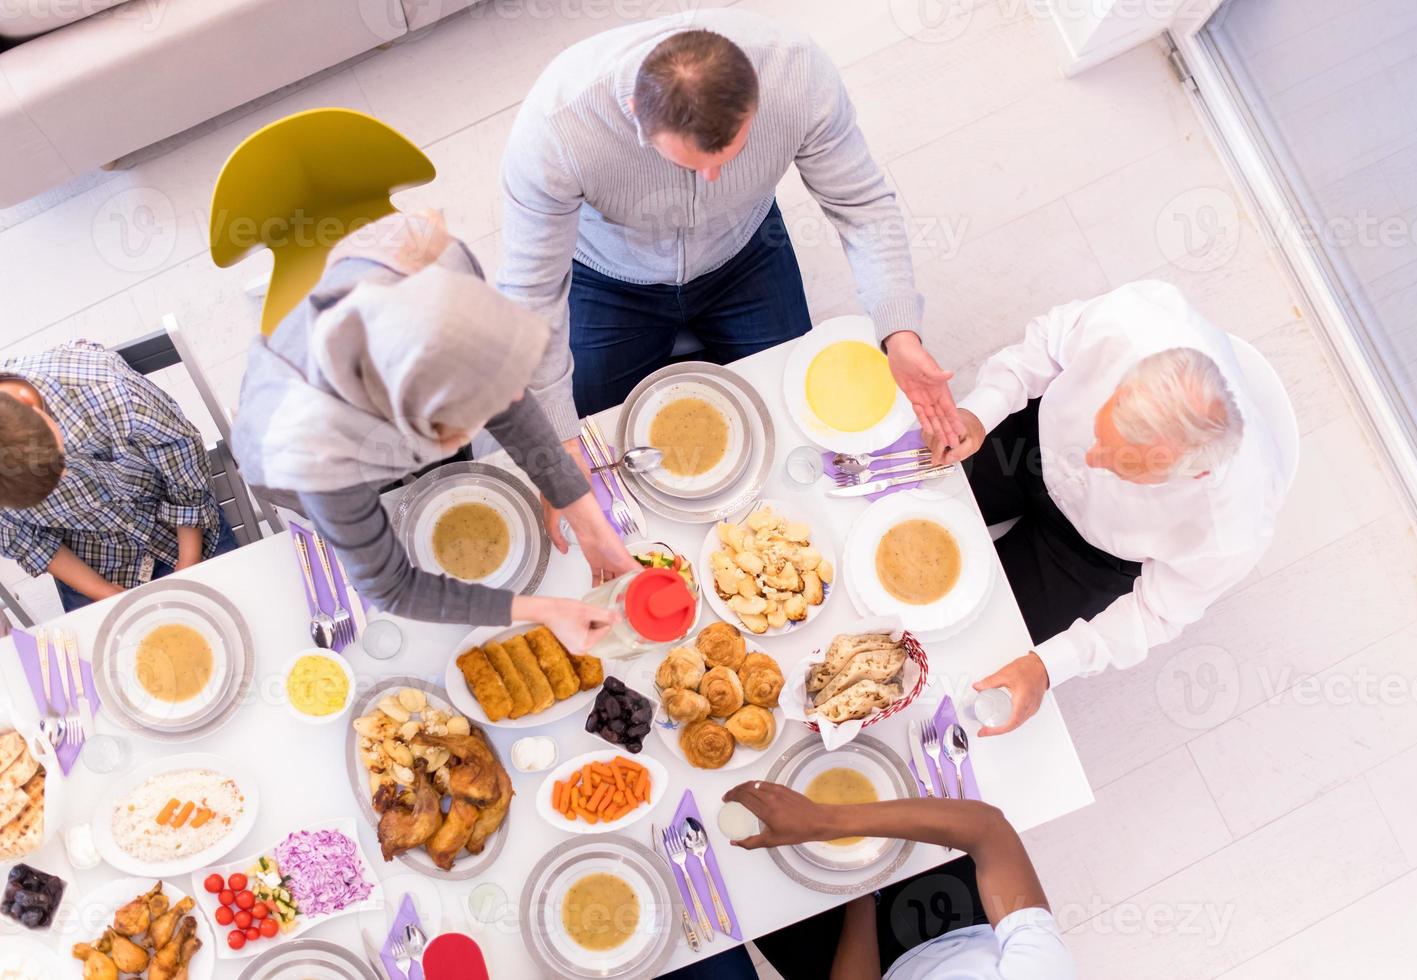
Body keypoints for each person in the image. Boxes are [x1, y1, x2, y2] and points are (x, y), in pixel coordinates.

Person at [497, 9, 967, 546]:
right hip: (607, 277)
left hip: (745, 254)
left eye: (730, 154)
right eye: (691, 164)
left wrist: (899, 328)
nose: (712, 181)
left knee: (797, 421)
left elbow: (861, 204)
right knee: (590, 437)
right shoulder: (557, 128)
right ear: (634, 113)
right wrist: (557, 437)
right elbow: (530, 295)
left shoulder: (796, 73)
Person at [232, 212, 635, 652]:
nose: (494, 414)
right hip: (289, 454)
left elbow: (504, 395)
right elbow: (392, 586)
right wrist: (542, 610)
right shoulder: (316, 453)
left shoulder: (439, 264)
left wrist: (590, 523)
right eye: (465, 425)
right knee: (353, 529)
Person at [948, 281, 1287, 735]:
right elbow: (1048, 345)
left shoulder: (1230, 529)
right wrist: (981, 411)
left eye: (1119, 463)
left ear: (1193, 473)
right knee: (908, 500)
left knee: (971, 643)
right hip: (1030, 447)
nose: (1091, 458)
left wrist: (1047, 667)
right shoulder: (1134, 322)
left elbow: (1156, 612)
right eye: (1100, 432)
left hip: (1091, 559)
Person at [684, 781, 1075, 979]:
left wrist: (860, 891)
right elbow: (989, 830)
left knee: (737, 872)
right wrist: (826, 823)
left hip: (866, 965)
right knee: (884, 774)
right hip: (959, 923)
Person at [0, 340, 237, 612]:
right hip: (94, 562)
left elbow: (183, 457)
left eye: (59, 461)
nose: (65, 477)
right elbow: (21, 539)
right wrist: (106, 592)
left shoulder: (106, 386)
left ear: (31, 404)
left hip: (180, 527)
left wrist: (189, 561)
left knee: (233, 611)